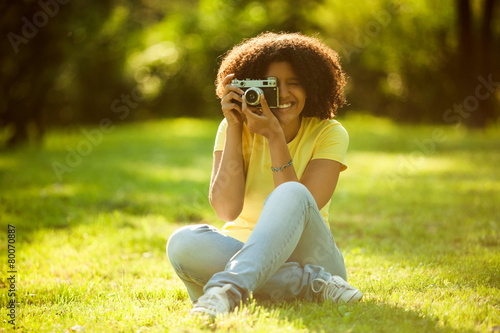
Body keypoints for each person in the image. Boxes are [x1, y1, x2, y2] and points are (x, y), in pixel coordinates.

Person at [166, 31, 362, 318]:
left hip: (312, 259)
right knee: (182, 242)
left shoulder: (329, 133)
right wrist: (234, 127)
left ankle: (227, 290)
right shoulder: (233, 128)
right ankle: (307, 287)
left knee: (292, 192)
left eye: (294, 84)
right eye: (271, 85)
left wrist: (274, 137)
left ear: (312, 87)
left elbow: (302, 209)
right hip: (259, 258)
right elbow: (226, 209)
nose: (283, 94)